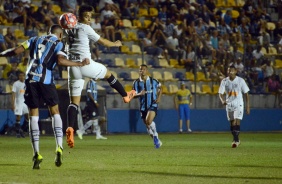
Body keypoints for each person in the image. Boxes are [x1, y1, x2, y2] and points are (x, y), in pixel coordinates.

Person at [0, 24, 90, 169]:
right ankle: (59, 147)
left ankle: (36, 153)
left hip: (31, 80)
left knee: (33, 115)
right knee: (55, 112)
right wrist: (79, 63)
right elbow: (60, 61)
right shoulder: (59, 43)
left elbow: (15, 51)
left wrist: (2, 54)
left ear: (48, 31)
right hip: (46, 81)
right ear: (60, 35)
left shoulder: (34, 39)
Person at [64, 5, 136, 149]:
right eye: (87, 16)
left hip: (72, 67)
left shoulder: (69, 29)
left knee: (74, 103)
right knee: (108, 73)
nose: (89, 18)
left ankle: (70, 129)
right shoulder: (86, 28)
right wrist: (115, 44)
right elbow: (103, 42)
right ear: (80, 17)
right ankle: (125, 95)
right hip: (85, 65)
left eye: (90, 15)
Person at [219, 65, 250, 148]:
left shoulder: (240, 80)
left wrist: (247, 106)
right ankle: (236, 139)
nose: (230, 72)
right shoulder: (224, 81)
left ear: (236, 71)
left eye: (232, 70)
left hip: (239, 103)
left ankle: (236, 141)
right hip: (229, 104)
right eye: (229, 70)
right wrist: (222, 101)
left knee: (236, 121)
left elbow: (246, 93)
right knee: (232, 123)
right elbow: (220, 94)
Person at [132, 64, 162, 149]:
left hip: (153, 104)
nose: (142, 71)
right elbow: (133, 95)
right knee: (147, 125)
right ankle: (156, 140)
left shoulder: (154, 80)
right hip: (143, 107)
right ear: (139, 71)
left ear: (147, 70)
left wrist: (159, 98)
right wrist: (139, 94)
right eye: (140, 70)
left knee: (148, 121)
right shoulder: (136, 83)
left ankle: (156, 135)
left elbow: (160, 88)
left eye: (144, 69)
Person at [11, 71, 29, 138]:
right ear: (18, 77)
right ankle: (18, 133)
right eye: (20, 76)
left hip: (24, 102)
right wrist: (13, 104)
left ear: (24, 76)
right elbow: (13, 94)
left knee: (27, 117)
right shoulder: (16, 84)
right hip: (18, 102)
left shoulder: (26, 83)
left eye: (23, 75)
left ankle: (23, 130)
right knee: (18, 117)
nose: (21, 77)